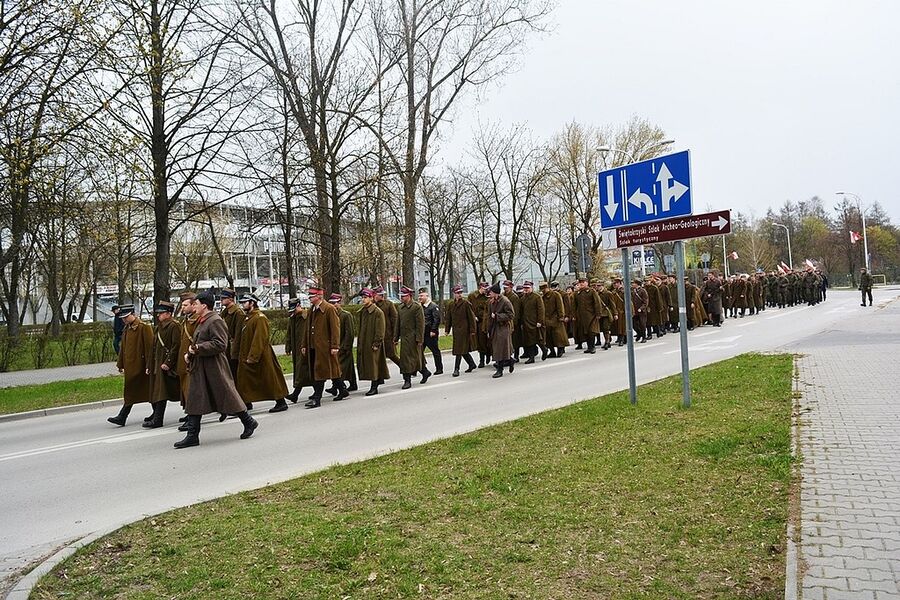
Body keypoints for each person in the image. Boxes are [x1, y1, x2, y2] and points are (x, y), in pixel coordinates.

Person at [175, 289, 258, 449]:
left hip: (215, 367)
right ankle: (192, 435)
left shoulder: (214, 320)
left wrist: (197, 348)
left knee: (227, 395)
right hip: (201, 366)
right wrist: (191, 354)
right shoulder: (203, 320)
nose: (194, 306)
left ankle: (249, 422)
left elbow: (221, 344)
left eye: (196, 304)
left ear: (204, 305)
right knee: (195, 398)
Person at [233, 293, 289, 413]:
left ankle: (281, 401)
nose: (242, 304)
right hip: (247, 355)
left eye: (245, 302)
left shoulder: (260, 318)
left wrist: (253, 356)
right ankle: (245, 404)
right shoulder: (248, 318)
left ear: (252, 303)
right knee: (244, 381)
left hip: (261, 356)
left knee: (269, 379)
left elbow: (259, 338)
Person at [107, 304, 153, 426]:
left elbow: (150, 348)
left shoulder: (144, 327)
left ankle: (123, 416)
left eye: (126, 317)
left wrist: (149, 365)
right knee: (135, 391)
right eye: (122, 318)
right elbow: (123, 349)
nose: (124, 320)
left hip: (141, 366)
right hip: (131, 366)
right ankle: (123, 416)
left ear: (134, 314)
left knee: (145, 390)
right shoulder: (127, 328)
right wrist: (120, 364)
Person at [300, 287, 344, 408]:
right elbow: (307, 329)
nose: (309, 298)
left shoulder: (329, 309)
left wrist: (335, 345)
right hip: (313, 346)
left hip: (325, 346)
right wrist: (304, 344)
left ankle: (317, 398)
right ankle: (342, 390)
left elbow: (335, 328)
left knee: (320, 371)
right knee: (330, 369)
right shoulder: (312, 310)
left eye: (312, 296)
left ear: (319, 296)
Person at [145, 300, 182, 429]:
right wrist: (149, 365)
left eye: (161, 313)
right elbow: (153, 348)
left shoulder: (174, 326)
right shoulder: (159, 327)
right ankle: (156, 416)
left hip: (165, 364)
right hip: (157, 363)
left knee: (162, 392)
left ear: (168, 313)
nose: (158, 315)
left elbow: (176, 346)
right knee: (157, 391)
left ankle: (158, 419)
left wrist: (168, 363)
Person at [356, 289, 390, 396]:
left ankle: (374, 386)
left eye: (365, 297)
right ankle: (377, 380)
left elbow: (380, 330)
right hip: (364, 342)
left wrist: (376, 343)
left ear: (371, 298)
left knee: (373, 364)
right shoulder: (363, 311)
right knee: (369, 364)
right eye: (362, 297)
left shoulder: (377, 312)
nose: (363, 299)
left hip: (373, 343)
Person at [396, 285, 427, 389]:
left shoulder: (416, 307)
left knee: (413, 360)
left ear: (409, 296)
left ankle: (411, 379)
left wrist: (420, 339)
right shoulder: (400, 307)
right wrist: (395, 338)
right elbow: (397, 324)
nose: (402, 298)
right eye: (401, 296)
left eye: (404, 296)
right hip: (404, 338)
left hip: (413, 338)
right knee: (406, 360)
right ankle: (421, 373)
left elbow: (420, 324)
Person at [444, 285, 478, 376]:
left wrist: (472, 330)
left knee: (459, 350)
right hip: (456, 331)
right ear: (454, 294)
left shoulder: (466, 303)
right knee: (463, 349)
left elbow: (471, 318)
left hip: (464, 331)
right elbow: (448, 318)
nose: (459, 295)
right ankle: (472, 364)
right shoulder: (451, 304)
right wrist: (447, 329)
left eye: (460, 293)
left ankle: (456, 369)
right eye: (457, 293)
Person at [283, 298, 313, 403]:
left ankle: (295, 394)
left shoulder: (307, 316)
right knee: (303, 371)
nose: (293, 312)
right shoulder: (292, 318)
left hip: (306, 347)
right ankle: (338, 387)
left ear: (299, 306)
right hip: (297, 349)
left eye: (294, 309)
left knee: (304, 371)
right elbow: (289, 333)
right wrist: (288, 347)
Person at [328, 293, 358, 394]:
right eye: (331, 303)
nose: (333, 305)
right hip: (337, 346)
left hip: (344, 346)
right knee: (346, 367)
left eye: (335, 303)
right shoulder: (331, 315)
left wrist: (346, 346)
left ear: (339, 303)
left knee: (341, 368)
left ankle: (339, 386)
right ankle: (351, 384)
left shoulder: (346, 315)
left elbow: (350, 333)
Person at [486, 283, 515, 378]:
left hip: (503, 328)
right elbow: (489, 317)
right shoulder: (491, 302)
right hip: (494, 328)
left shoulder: (505, 301)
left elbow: (511, 315)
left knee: (500, 348)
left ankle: (500, 369)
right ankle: (510, 360)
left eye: (491, 292)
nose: (489, 293)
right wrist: (488, 329)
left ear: (496, 293)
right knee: (498, 348)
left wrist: (498, 316)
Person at [374, 287, 401, 367]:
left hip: (388, 334)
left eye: (376, 294)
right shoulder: (373, 305)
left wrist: (395, 335)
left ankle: (405, 368)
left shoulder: (388, 304)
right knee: (378, 356)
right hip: (377, 335)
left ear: (380, 295)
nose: (374, 296)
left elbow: (394, 319)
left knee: (392, 355)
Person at [219, 288, 243, 378]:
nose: (221, 300)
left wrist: (235, 354)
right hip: (226, 348)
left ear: (231, 299)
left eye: (224, 298)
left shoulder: (238, 313)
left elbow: (238, 335)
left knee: (234, 375)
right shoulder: (224, 313)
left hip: (232, 350)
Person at [418, 288, 443, 375]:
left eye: (421, 296)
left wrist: (433, 330)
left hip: (430, 333)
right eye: (419, 296)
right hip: (422, 333)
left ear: (427, 296)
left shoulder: (433, 306)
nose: (420, 297)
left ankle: (439, 368)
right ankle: (420, 369)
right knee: (419, 352)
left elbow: (437, 319)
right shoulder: (420, 306)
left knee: (435, 351)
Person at [518, 281, 544, 362]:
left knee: (537, 339)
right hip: (526, 322)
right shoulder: (522, 298)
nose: (526, 289)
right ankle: (531, 357)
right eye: (525, 288)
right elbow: (521, 311)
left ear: (531, 288)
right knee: (529, 340)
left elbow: (541, 310)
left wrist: (540, 321)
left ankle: (544, 350)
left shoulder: (537, 297)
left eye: (527, 288)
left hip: (534, 322)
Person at [467, 282, 491, 367]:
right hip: (475, 321)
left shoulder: (487, 297)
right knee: (478, 341)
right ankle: (482, 358)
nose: (486, 290)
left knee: (484, 340)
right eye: (485, 289)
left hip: (483, 321)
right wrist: (473, 316)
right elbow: (469, 308)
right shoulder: (472, 296)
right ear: (480, 287)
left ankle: (486, 356)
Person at [541, 282, 568, 358]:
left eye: (544, 289)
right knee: (548, 337)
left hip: (556, 317)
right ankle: (552, 351)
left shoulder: (556, 295)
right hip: (546, 318)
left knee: (558, 335)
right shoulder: (542, 297)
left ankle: (560, 349)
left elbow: (560, 306)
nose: (543, 291)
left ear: (547, 288)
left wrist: (561, 315)